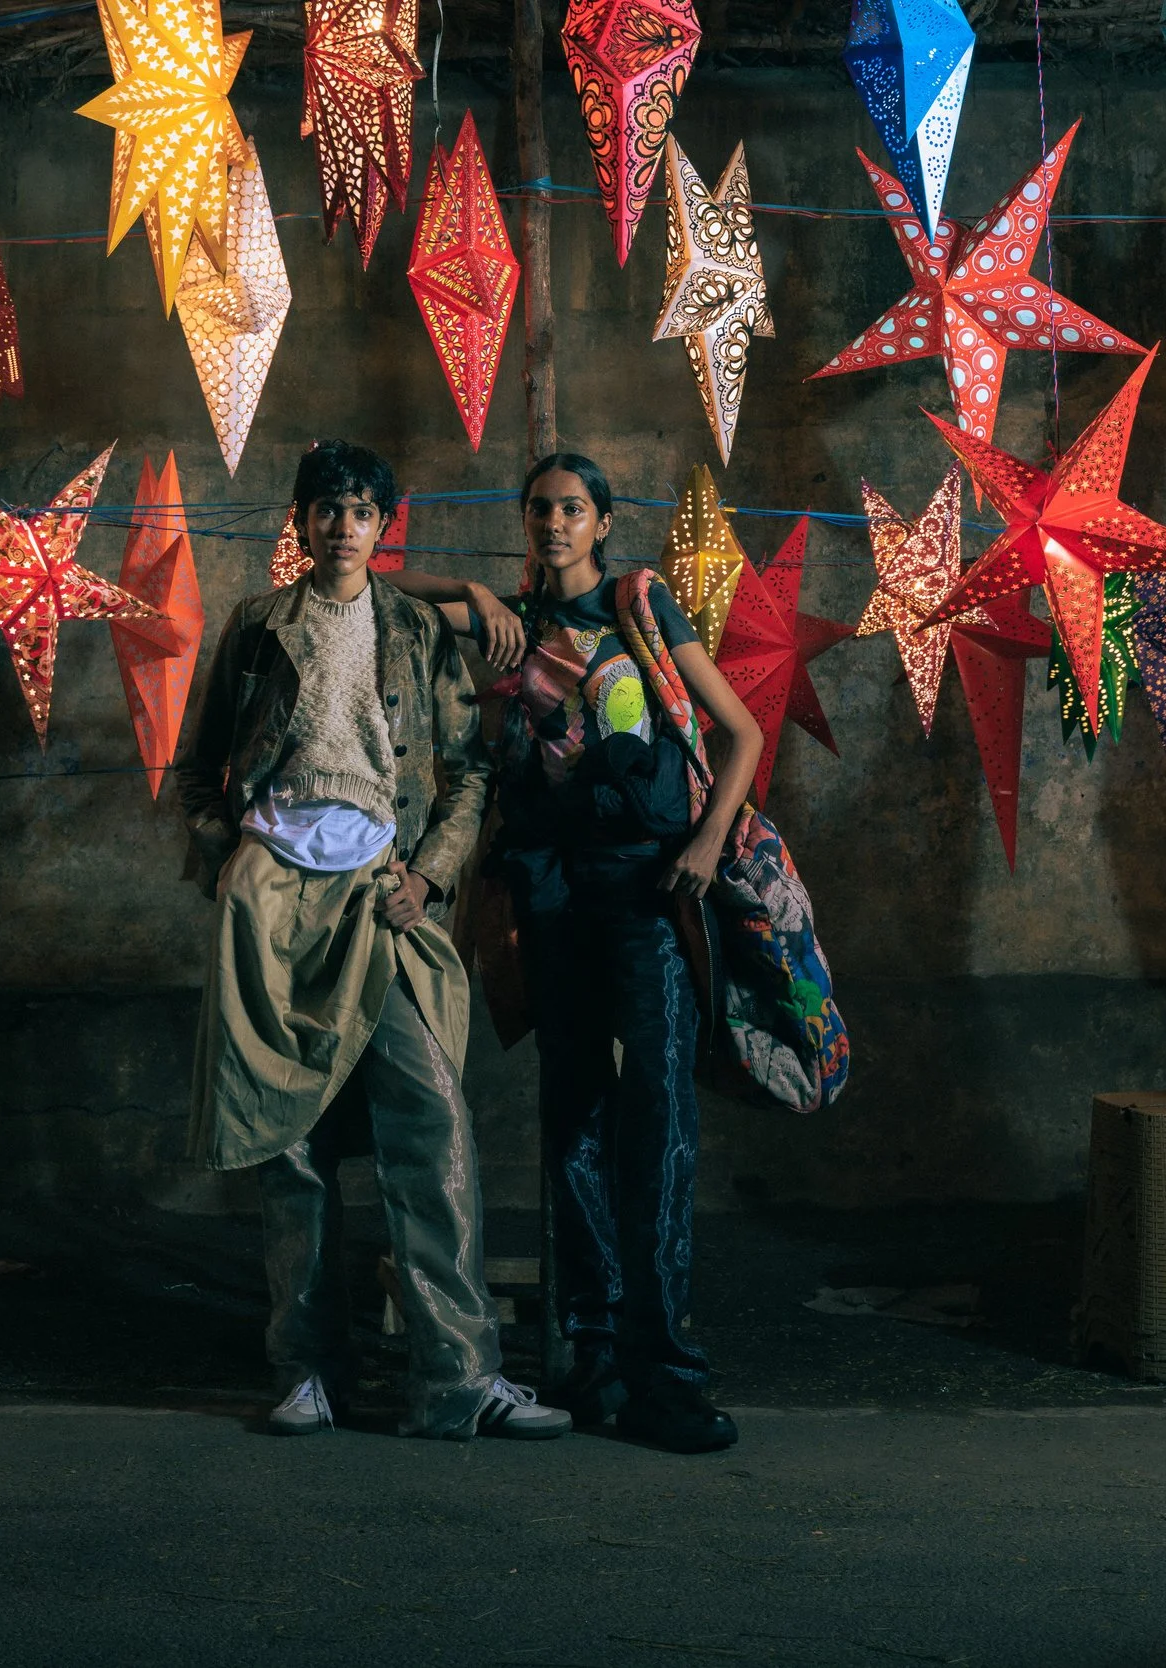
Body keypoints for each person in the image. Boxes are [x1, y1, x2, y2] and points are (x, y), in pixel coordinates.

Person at [176, 439, 570, 1442]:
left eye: (360, 510)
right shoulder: (257, 628)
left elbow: (470, 771)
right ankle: (307, 1372)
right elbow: (197, 769)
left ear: (381, 525)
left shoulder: (411, 626)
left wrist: (431, 872)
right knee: (292, 1149)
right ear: (300, 524)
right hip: (272, 907)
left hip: (380, 901)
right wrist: (225, 857)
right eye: (325, 509)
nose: (342, 526)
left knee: (429, 1130)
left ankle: (459, 1379)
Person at [400, 454, 763, 1454]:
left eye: (571, 508)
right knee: (572, 1122)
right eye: (538, 509)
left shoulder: (642, 605)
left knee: (658, 1113)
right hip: (549, 894)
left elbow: (740, 732)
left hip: (649, 889)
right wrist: (470, 591)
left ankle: (667, 1375)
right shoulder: (505, 623)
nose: (552, 522)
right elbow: (371, 590)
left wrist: (700, 843)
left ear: (601, 523)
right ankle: (593, 1355)